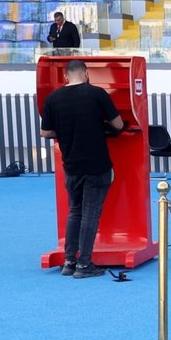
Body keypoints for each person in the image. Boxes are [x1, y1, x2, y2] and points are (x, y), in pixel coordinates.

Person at [40, 60, 124, 278]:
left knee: (75, 211)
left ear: (65, 76)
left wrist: (64, 131)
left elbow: (45, 132)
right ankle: (84, 265)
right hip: (96, 164)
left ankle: (69, 262)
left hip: (71, 165)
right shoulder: (97, 94)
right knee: (90, 214)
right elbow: (118, 125)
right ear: (86, 73)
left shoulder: (52, 98)